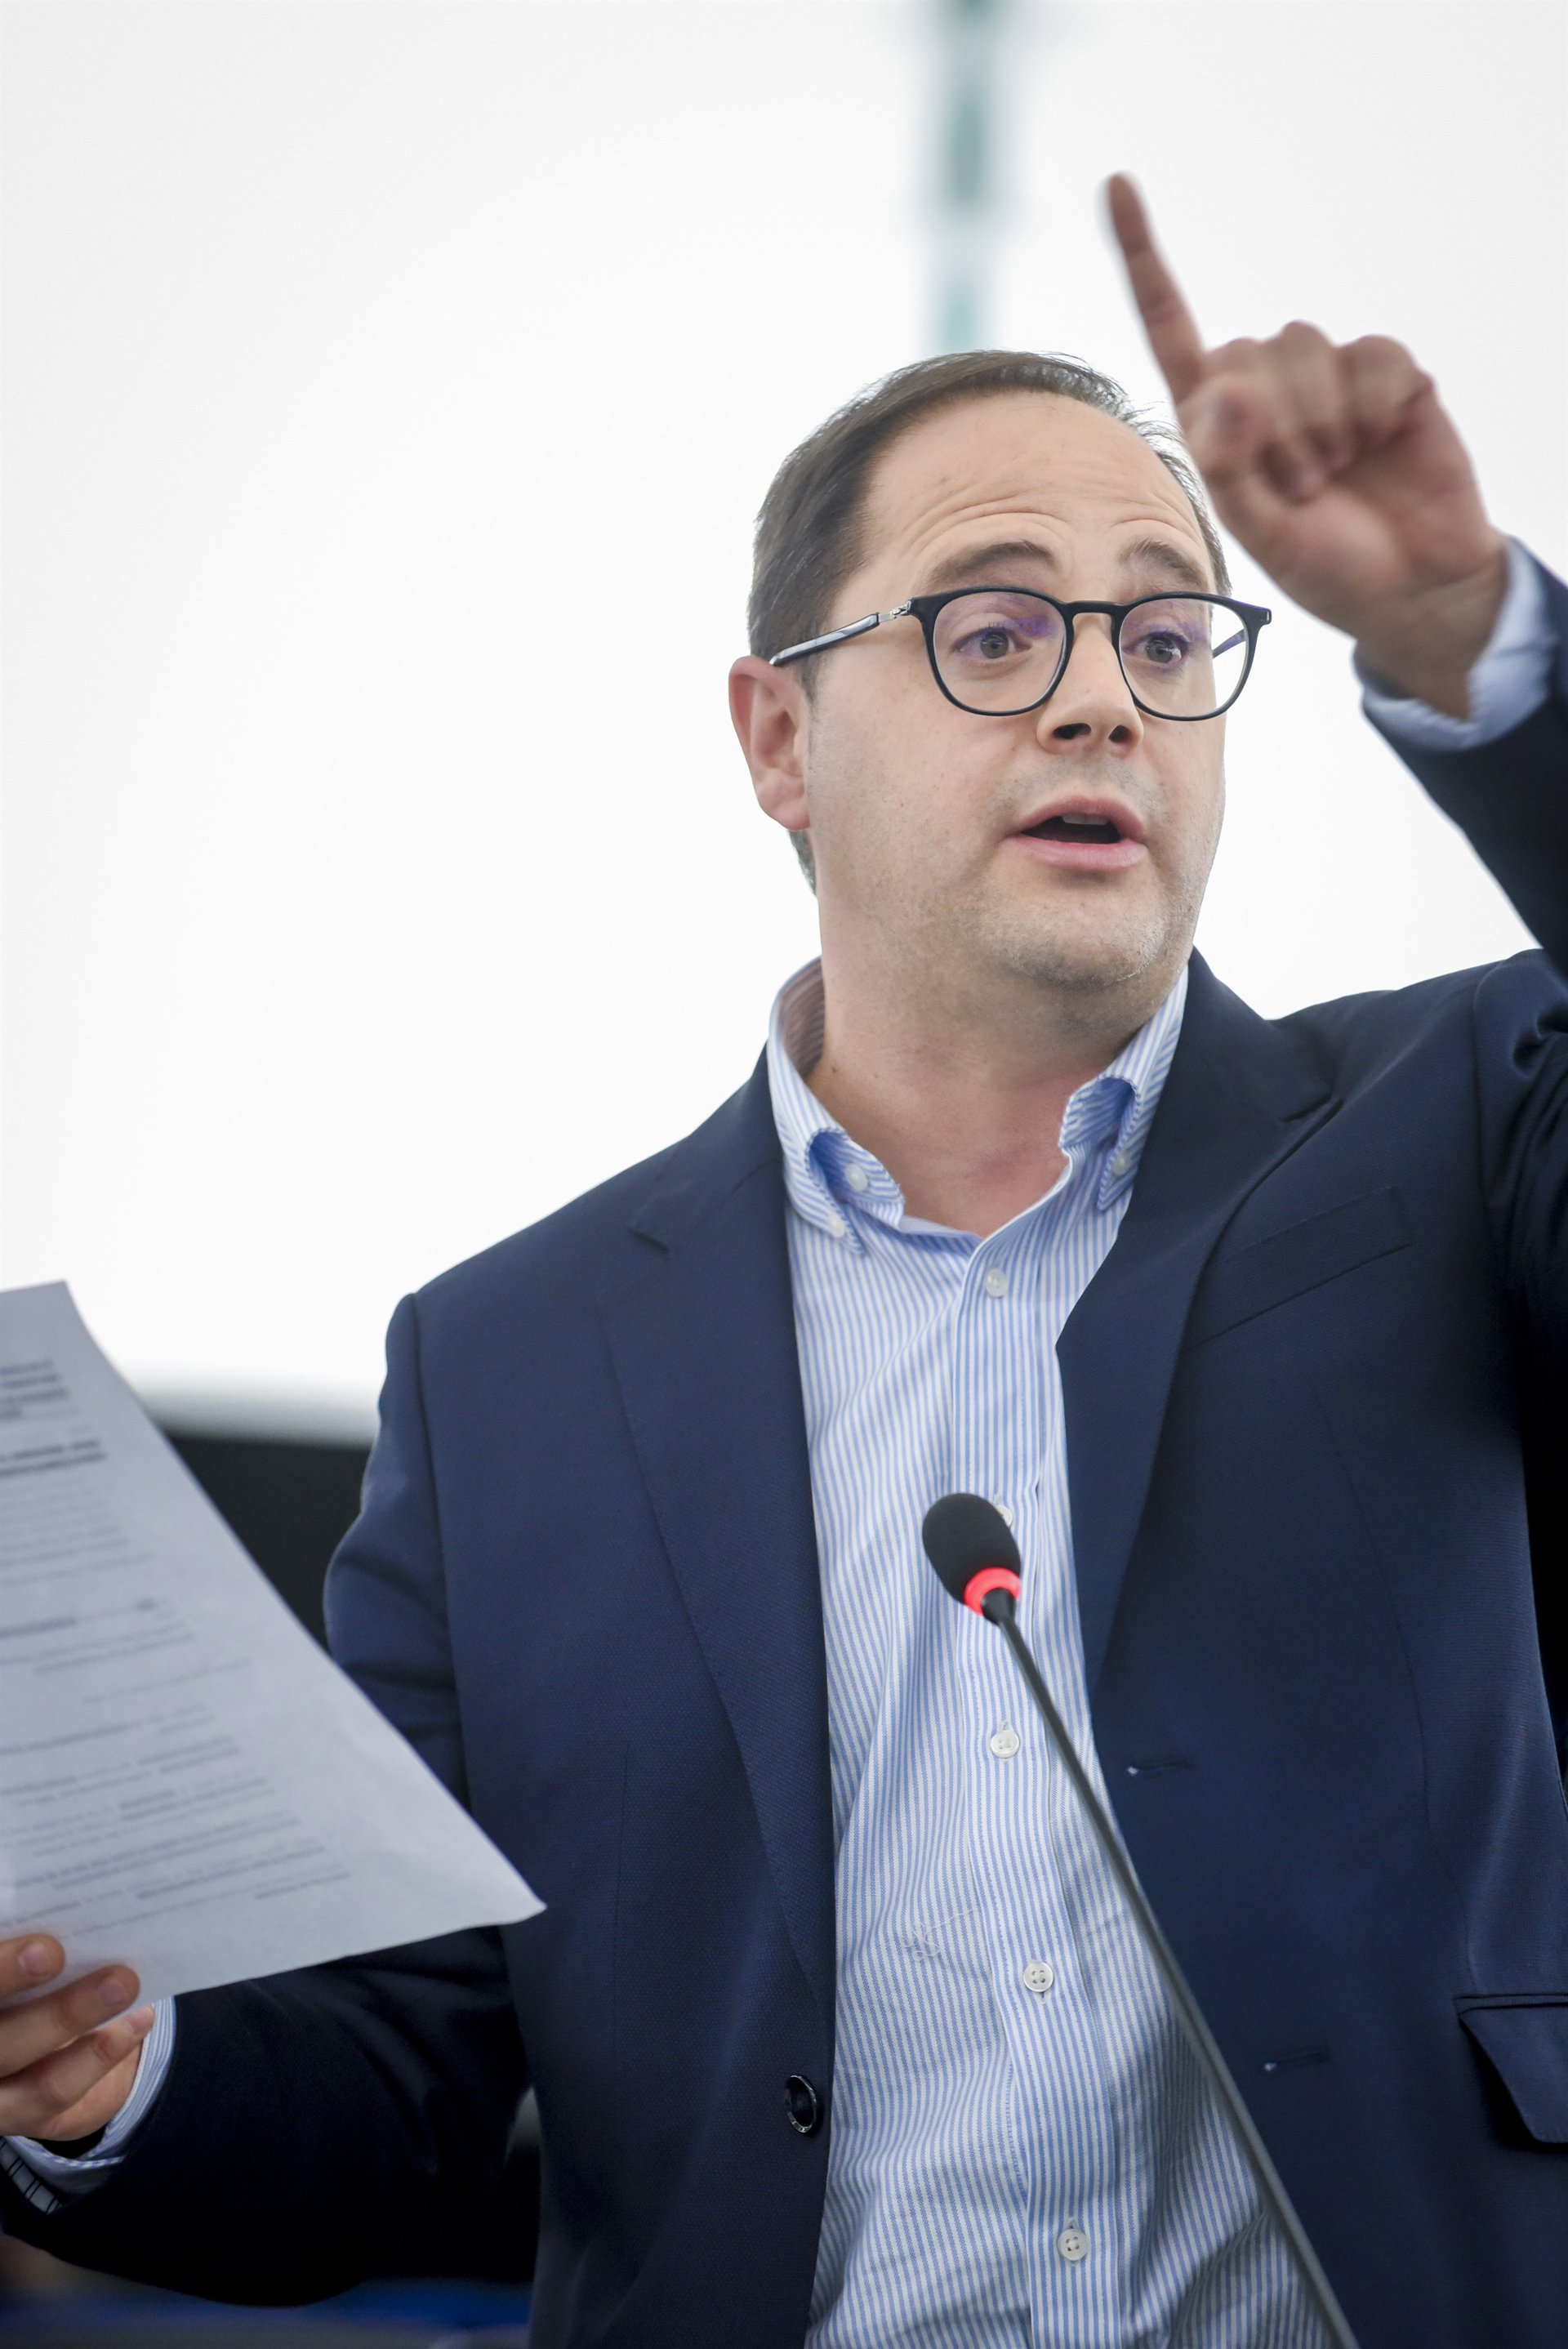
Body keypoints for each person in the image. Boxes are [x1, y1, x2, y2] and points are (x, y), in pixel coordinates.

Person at [1, 177, 1565, 2347]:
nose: (1102, 702)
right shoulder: (512, 1369)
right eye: (995, 631)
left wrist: (1463, 628)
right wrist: (111, 2079)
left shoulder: (1467, 1127)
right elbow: (389, 2077)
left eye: (1164, 635)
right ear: (777, 738)